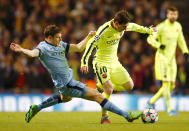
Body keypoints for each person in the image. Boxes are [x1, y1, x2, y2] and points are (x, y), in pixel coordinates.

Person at [10, 25, 142, 123]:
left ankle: (37, 108)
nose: (60, 39)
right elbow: (33, 53)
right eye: (58, 37)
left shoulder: (60, 44)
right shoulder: (42, 48)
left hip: (65, 81)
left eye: (60, 36)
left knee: (66, 98)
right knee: (97, 95)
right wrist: (21, 49)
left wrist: (88, 37)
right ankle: (127, 115)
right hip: (68, 83)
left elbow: (79, 47)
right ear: (49, 38)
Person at [80, 10, 156, 124]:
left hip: (114, 62)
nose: (125, 29)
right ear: (116, 23)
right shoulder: (103, 31)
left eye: (126, 26)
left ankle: (101, 86)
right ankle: (104, 117)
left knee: (129, 86)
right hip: (101, 63)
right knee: (109, 89)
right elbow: (91, 44)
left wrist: (148, 30)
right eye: (123, 27)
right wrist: (84, 62)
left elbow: (134, 26)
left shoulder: (123, 25)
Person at [146, 6, 189, 115]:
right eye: (171, 14)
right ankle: (170, 109)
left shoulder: (178, 26)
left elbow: (181, 39)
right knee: (166, 85)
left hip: (172, 60)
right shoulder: (161, 27)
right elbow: (150, 38)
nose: (173, 16)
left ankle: (151, 101)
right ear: (167, 15)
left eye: (175, 14)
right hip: (162, 59)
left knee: (172, 85)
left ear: (177, 15)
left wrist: (185, 50)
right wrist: (158, 45)